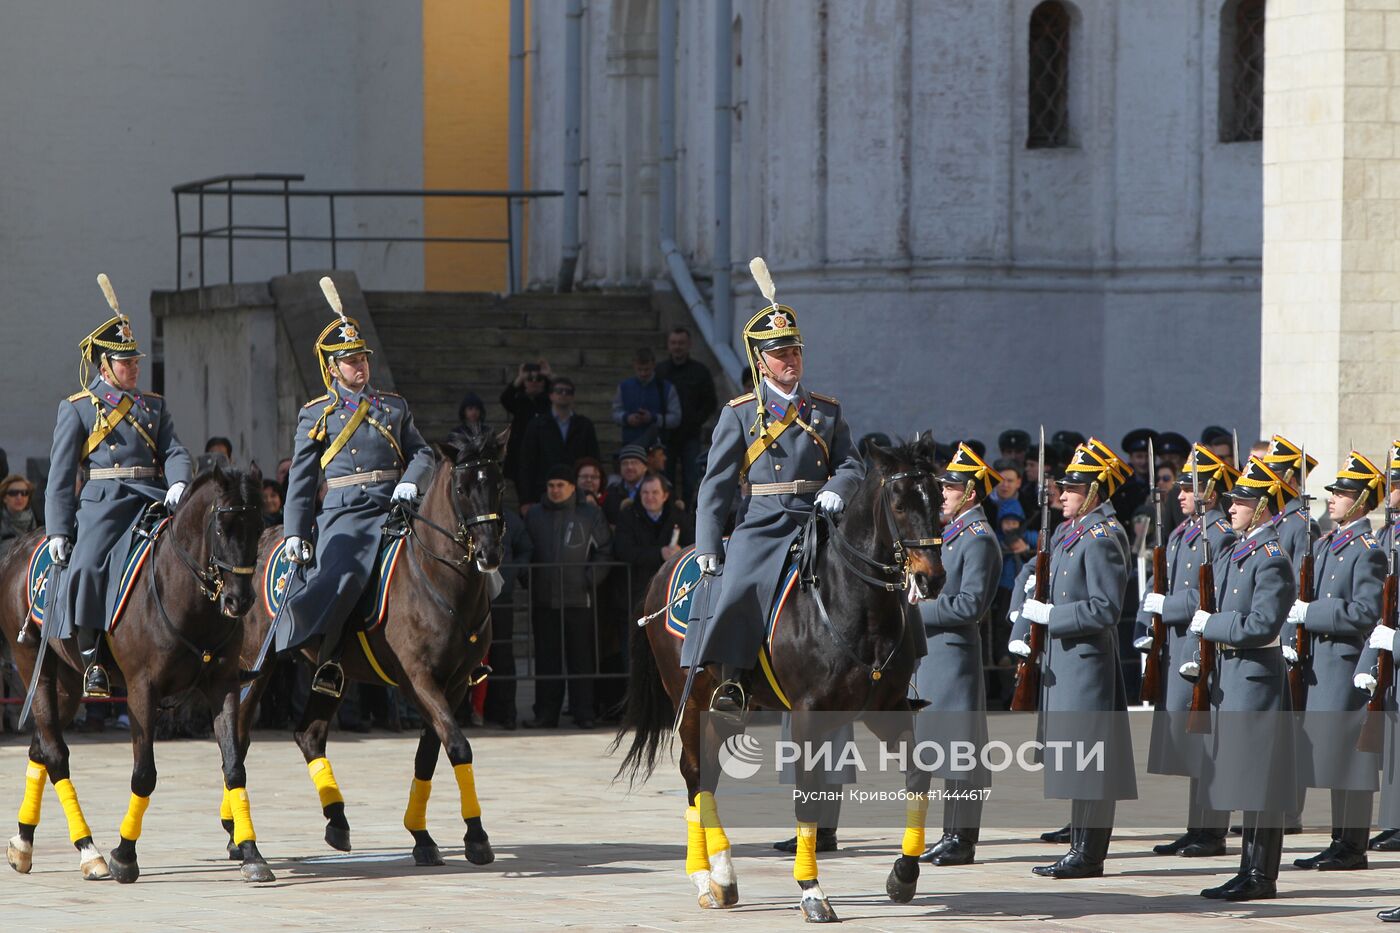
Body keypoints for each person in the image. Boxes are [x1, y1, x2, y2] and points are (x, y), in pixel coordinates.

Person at [687, 259, 863, 717]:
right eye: (780, 353)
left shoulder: (827, 410)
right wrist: (708, 542)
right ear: (760, 361)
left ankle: (896, 676)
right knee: (739, 586)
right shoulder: (741, 414)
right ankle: (733, 681)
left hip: (823, 520)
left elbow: (852, 463)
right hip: (765, 522)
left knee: (876, 577)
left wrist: (838, 488)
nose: (791, 361)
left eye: (796, 351)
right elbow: (716, 485)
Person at [275, 293, 434, 698]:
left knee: (455, 558)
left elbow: (422, 452)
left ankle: (466, 653)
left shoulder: (394, 408)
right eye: (350, 360)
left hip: (397, 507)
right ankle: (329, 660)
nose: (360, 366)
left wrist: (410, 482)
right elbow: (302, 478)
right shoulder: (316, 414)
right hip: (349, 515)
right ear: (332, 368)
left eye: (362, 358)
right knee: (344, 578)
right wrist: (295, 530)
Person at [45, 298, 192, 696]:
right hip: (104, 502)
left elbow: (174, 449)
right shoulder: (77, 409)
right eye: (125, 363)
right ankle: (92, 657)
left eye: (136, 362)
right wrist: (59, 529)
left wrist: (178, 481)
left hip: (151, 498)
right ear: (104, 365)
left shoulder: (154, 406)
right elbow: (60, 476)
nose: (134, 369)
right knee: (87, 567)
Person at [1012, 438, 1137, 879]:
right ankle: (1079, 844)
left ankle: (1089, 853)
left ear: (1095, 492)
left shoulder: (1103, 536)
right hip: (1062, 664)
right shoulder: (1070, 531)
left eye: (1071, 488)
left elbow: (1105, 608)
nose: (1060, 494)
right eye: (1062, 487)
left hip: (1086, 662)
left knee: (1091, 761)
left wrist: (1052, 616)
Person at [1188, 455, 1297, 901]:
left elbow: (1260, 625)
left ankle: (1261, 874)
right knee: (1246, 778)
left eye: (1242, 501)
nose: (1230, 508)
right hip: (1234, 676)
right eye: (1232, 501)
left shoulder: (1271, 558)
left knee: (1261, 781)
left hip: (1255, 678)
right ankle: (1246, 868)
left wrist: (1209, 625)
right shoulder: (1240, 549)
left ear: (1265, 507)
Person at [1135, 444, 1238, 859]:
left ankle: (1213, 831)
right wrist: (1149, 616)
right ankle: (1197, 826)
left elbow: (1207, 595)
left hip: (1200, 649)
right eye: (1178, 486)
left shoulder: (1220, 535)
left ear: (1210, 493)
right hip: (1176, 645)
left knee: (1206, 741)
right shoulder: (1182, 531)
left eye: (1187, 487)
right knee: (1193, 743)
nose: (1178, 494)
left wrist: (1169, 607)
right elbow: (1163, 581)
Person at [1286, 450, 1386, 872]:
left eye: (1342, 494)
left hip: (1345, 665)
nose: (1333, 498)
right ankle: (1338, 838)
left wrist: (1313, 614)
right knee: (1332, 756)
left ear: (1362, 501)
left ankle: (1353, 845)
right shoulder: (1328, 542)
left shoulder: (1367, 550)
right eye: (1334, 492)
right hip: (1318, 665)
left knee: (1351, 757)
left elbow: (1365, 612)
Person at [914, 443, 1001, 867]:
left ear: (970, 493)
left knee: (961, 751)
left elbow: (969, 605)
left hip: (954, 655)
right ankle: (949, 834)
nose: (943, 493)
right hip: (933, 655)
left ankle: (962, 838)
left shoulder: (978, 539)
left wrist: (917, 609)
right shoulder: (949, 532)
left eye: (950, 488)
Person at [523, 464, 612, 729]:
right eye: (551, 485)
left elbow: (604, 550)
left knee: (580, 658)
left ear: (573, 487)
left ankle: (584, 712)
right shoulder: (535, 515)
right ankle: (546, 714)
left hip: (579, 599)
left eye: (560, 485)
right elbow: (525, 549)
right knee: (546, 659)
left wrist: (589, 580)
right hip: (544, 599)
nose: (555, 490)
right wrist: (528, 580)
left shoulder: (590, 514)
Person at [655, 326, 718, 507]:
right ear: (668, 345)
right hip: (665, 435)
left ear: (689, 345)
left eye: (681, 343)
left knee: (692, 478)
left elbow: (710, 402)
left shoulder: (700, 371)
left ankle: (689, 514)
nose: (677, 347)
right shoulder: (660, 372)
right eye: (674, 343)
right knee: (665, 478)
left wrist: (695, 420)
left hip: (690, 435)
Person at [516, 376, 600, 510]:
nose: (563, 394)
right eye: (559, 391)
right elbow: (526, 463)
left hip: (577, 493)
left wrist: (591, 493)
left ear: (573, 397)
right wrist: (525, 500)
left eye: (568, 392)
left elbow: (593, 460)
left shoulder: (584, 425)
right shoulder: (537, 425)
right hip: (542, 492)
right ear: (551, 395)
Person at [1260, 434, 1320, 572]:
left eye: (1272, 477)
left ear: (1291, 481)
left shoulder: (1301, 524)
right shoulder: (1267, 515)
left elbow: (1301, 581)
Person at [612, 347, 681, 447]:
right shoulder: (624, 387)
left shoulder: (666, 388)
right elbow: (615, 413)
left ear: (653, 365)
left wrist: (653, 418)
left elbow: (676, 418)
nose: (643, 373)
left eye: (646, 369)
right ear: (634, 365)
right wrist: (627, 418)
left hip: (657, 445)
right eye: (640, 369)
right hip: (631, 442)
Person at [501, 359, 553, 484]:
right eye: (530, 379)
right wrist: (520, 377)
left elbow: (562, 392)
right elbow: (505, 398)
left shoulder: (550, 402)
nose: (534, 382)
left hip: (545, 455)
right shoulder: (519, 401)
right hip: (521, 455)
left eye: (539, 379)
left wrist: (549, 376)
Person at [604, 444, 650, 525]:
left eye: (634, 463)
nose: (629, 467)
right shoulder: (611, 492)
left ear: (645, 467)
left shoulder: (656, 491)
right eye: (625, 463)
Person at [0, 474, 39, 548]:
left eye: (24, 493)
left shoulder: (38, 521)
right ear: (4, 497)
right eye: (13, 493)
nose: (19, 497)